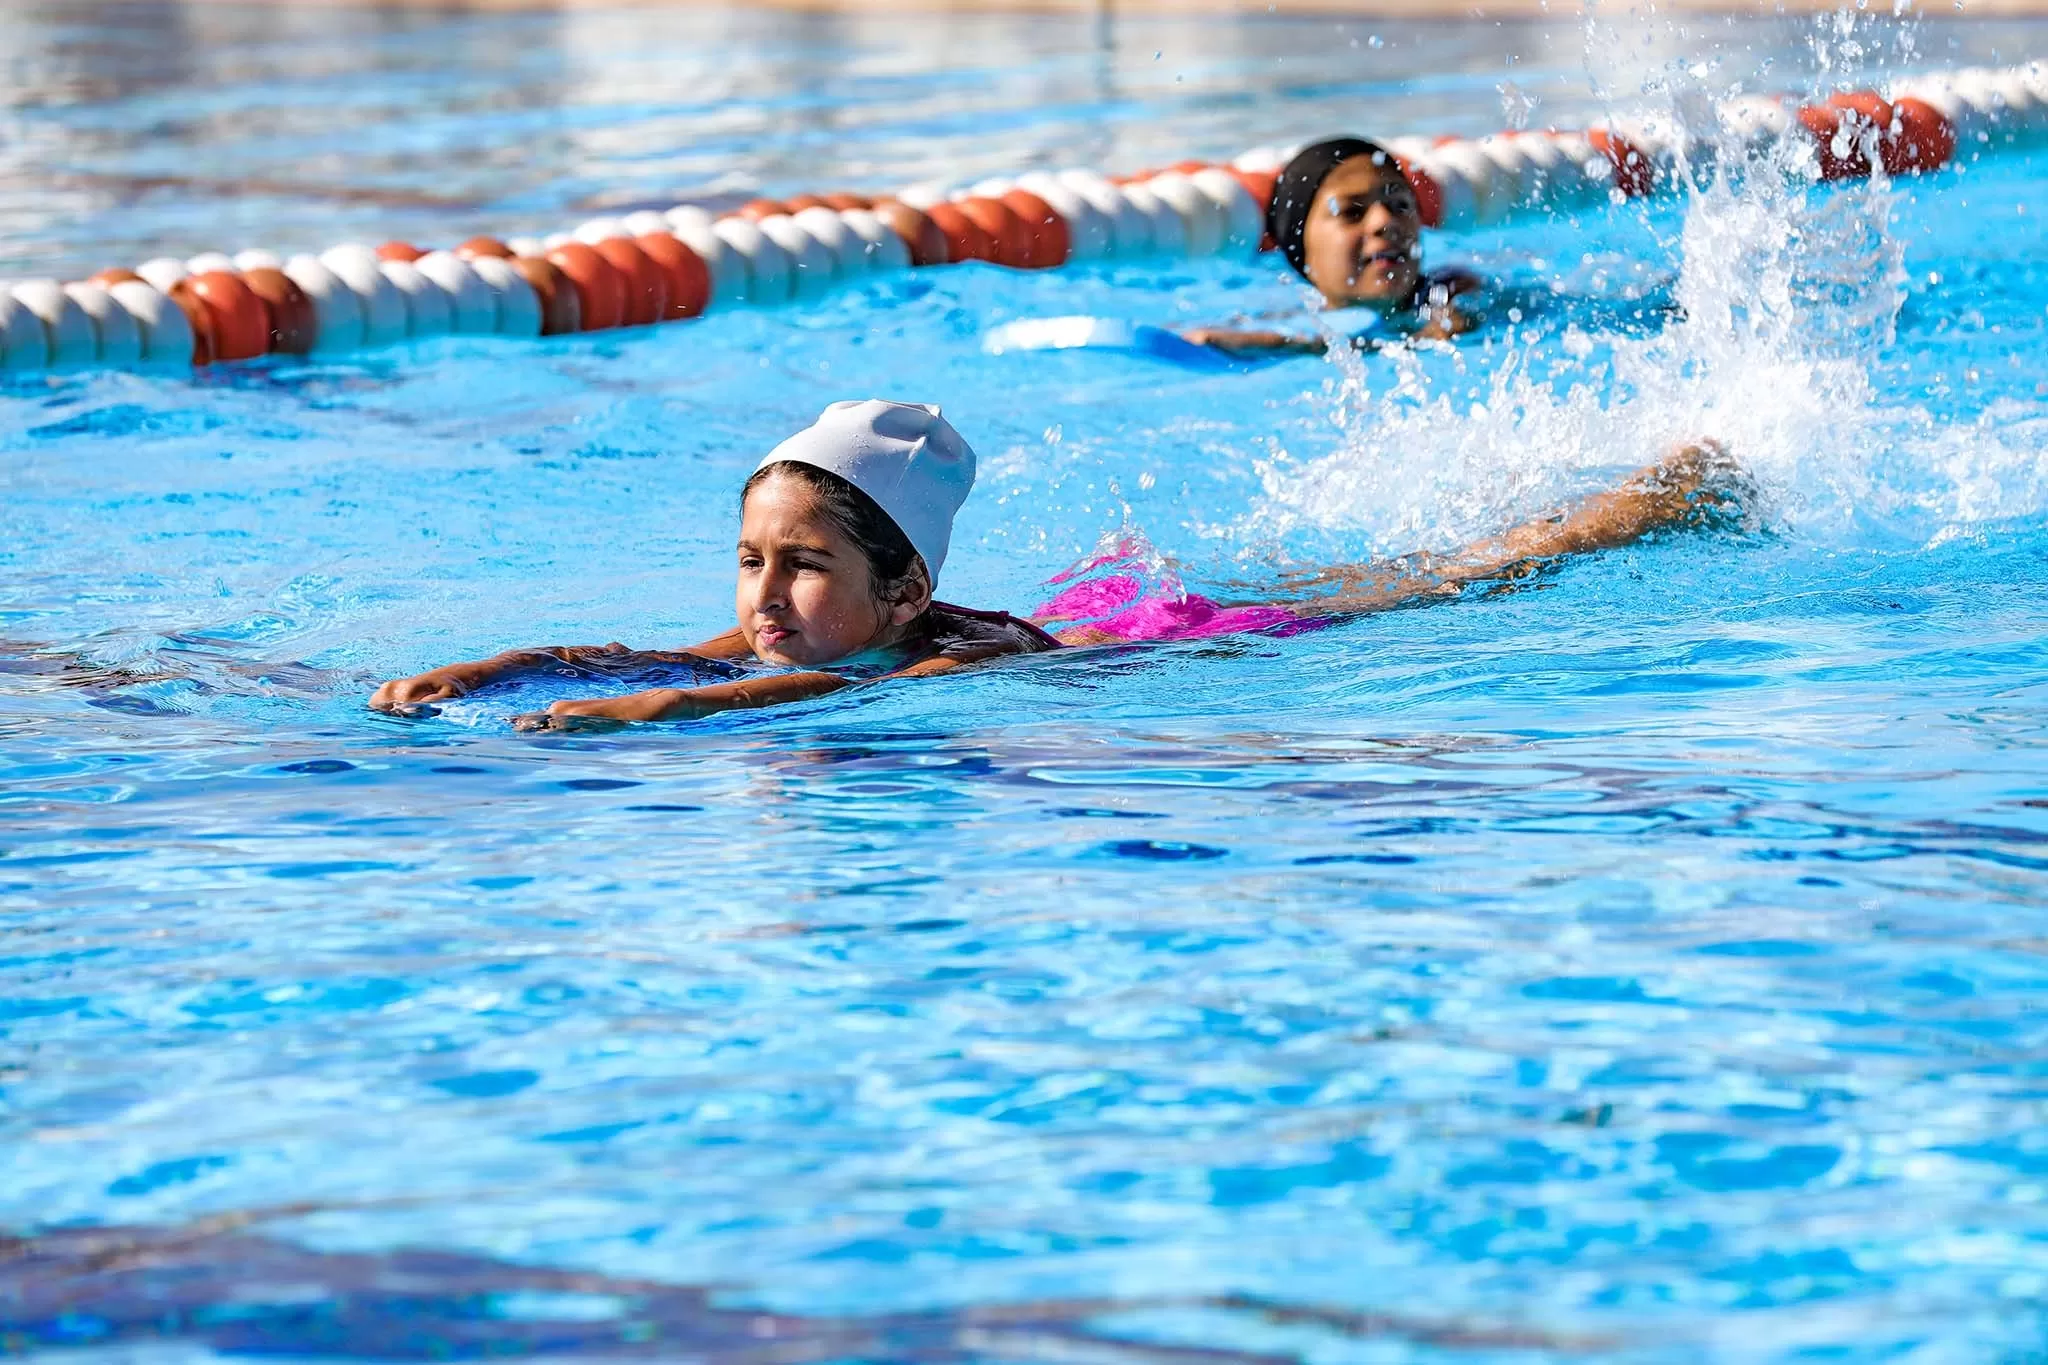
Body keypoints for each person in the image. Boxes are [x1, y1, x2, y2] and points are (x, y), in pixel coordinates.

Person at [368, 401, 1738, 730]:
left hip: (1186, 635)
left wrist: (661, 713)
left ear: (902, 592)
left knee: (1461, 576)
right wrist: (500, 666)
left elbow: (803, 701)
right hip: (1088, 610)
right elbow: (637, 651)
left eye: (799, 565)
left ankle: (1634, 506)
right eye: (747, 562)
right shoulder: (801, 633)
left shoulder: (887, 660)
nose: (762, 598)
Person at [1182, 137, 1482, 357]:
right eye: (1352, 212)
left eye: (1400, 205)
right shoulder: (1285, 318)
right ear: (1301, 246)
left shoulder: (1448, 290)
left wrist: (1305, 349)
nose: (1385, 222)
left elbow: (1449, 331)